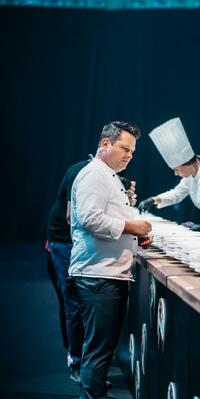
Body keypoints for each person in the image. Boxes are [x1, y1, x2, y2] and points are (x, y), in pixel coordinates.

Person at [69, 121, 152, 398]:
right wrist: (132, 228)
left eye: (132, 151)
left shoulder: (109, 175)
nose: (129, 155)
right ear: (105, 144)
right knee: (98, 352)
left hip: (107, 273)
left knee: (102, 349)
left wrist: (135, 236)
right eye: (124, 148)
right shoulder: (95, 174)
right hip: (97, 274)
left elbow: (109, 218)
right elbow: (90, 218)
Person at [139, 117, 200, 232]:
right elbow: (176, 194)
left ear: (186, 164)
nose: (176, 174)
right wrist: (153, 200)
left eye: (176, 169)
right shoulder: (191, 177)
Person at [46, 157, 90, 383]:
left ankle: (82, 357)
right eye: (124, 149)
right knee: (72, 302)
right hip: (63, 243)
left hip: (71, 243)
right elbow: (71, 218)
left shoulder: (104, 174)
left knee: (78, 303)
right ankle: (76, 362)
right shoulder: (81, 173)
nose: (128, 157)